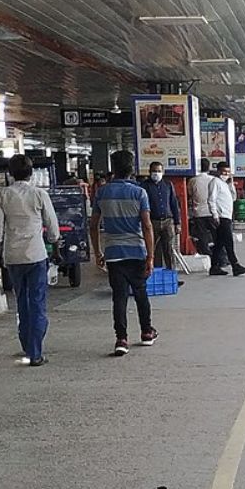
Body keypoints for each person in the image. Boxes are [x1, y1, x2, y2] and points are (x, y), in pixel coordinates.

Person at [0, 154, 60, 366]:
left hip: (13, 257)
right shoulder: (39, 194)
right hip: (36, 255)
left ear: (10, 173)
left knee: (22, 302)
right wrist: (56, 249)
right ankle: (35, 352)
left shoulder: (3, 195)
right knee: (37, 303)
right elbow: (52, 226)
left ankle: (27, 345)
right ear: (31, 172)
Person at [92, 150, 157, 356]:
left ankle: (121, 339)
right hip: (136, 251)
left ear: (113, 168)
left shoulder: (101, 192)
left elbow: (93, 225)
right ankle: (146, 332)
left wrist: (98, 252)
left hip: (113, 253)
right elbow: (147, 226)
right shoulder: (139, 193)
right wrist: (151, 256)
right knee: (140, 293)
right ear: (132, 168)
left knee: (119, 297)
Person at [207, 162, 245, 276]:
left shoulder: (225, 184)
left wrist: (231, 184)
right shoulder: (215, 182)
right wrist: (214, 214)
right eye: (224, 172)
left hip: (227, 216)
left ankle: (214, 267)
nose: (226, 174)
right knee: (228, 242)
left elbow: (234, 198)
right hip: (221, 217)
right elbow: (211, 199)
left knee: (219, 244)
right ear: (218, 171)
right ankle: (235, 265)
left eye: (228, 172)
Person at [142, 161, 183, 272]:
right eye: (154, 171)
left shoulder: (168, 185)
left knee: (169, 249)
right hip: (151, 222)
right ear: (149, 172)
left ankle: (171, 274)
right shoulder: (144, 186)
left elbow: (174, 203)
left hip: (167, 221)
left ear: (163, 172)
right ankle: (154, 274)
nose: (156, 173)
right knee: (152, 249)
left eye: (159, 171)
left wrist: (177, 222)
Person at [187, 158, 216, 260]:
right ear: (209, 167)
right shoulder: (213, 179)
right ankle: (219, 257)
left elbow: (190, 194)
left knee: (202, 236)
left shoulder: (193, 180)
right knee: (216, 235)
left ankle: (207, 255)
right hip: (212, 212)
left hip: (198, 212)